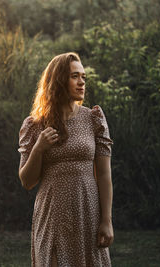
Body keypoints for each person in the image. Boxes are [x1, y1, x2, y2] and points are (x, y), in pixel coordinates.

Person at [18, 52, 114, 267]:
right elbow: (27, 181)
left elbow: (104, 174)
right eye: (74, 76)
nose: (81, 82)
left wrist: (106, 220)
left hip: (87, 212)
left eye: (83, 77)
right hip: (52, 216)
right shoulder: (35, 125)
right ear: (59, 80)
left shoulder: (93, 118)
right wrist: (38, 149)